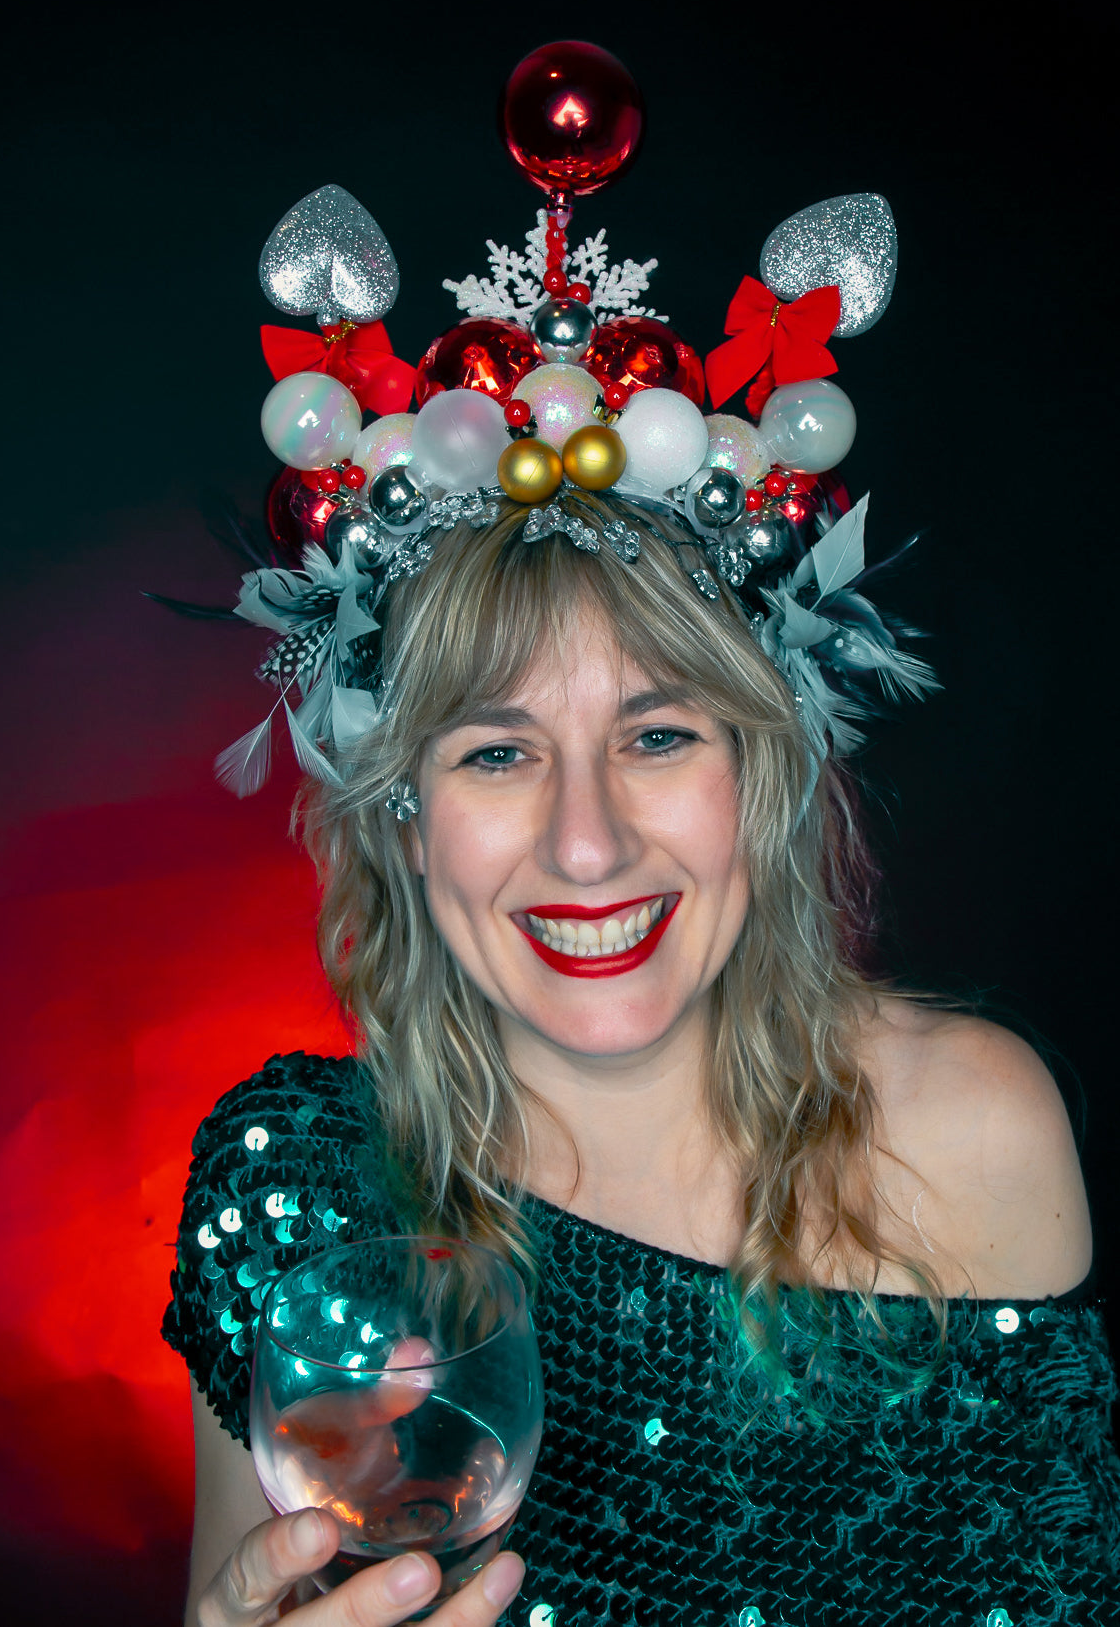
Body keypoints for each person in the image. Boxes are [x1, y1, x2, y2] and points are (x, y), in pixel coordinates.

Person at [165, 498, 1119, 1626]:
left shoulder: (967, 1132)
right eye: (498, 752)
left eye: (656, 735)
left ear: (755, 775)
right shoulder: (289, 1192)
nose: (587, 843)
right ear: (408, 822)